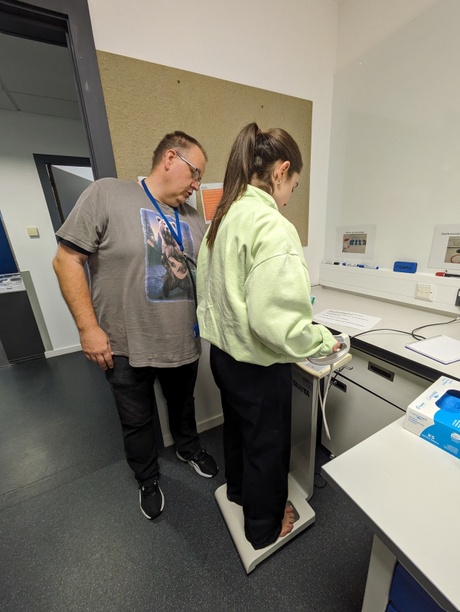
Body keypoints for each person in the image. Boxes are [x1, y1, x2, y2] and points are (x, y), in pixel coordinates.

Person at [53, 131, 218, 522]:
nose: (197, 185)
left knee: (183, 405)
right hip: (124, 344)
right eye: (195, 174)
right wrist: (87, 328)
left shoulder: (194, 218)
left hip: (182, 341)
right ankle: (147, 476)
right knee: (137, 419)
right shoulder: (106, 194)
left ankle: (187, 448)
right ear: (170, 158)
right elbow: (66, 260)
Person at [196, 122, 340, 550]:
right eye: (292, 186)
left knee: (238, 432)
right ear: (282, 171)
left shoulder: (222, 217)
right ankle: (264, 526)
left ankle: (239, 492)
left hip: (222, 356)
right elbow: (275, 323)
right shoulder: (271, 225)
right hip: (257, 366)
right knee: (267, 446)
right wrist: (320, 340)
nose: (288, 196)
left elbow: (214, 291)